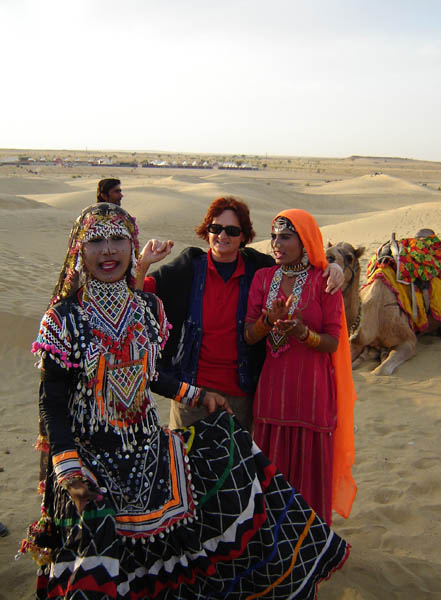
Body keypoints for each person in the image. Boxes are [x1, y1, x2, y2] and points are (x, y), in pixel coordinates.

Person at [20, 202, 350, 599]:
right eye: (97, 241)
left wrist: (198, 394)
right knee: (97, 534)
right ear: (79, 250)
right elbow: (52, 403)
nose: (108, 251)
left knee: (233, 468)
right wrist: (68, 469)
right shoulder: (62, 318)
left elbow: (152, 375)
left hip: (148, 446)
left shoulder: (146, 309)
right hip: (88, 454)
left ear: (131, 245)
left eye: (118, 240)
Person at [136, 196, 344, 432]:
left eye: (232, 230)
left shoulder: (260, 269)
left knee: (235, 466)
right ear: (207, 230)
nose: (223, 236)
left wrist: (331, 267)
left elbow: (299, 263)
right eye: (216, 228)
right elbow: (139, 294)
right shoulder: (189, 267)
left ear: (244, 237)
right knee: (185, 464)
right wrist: (143, 263)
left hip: (242, 396)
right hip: (192, 394)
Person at [244, 209, 357, 525]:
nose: (276, 244)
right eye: (274, 236)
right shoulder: (263, 278)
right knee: (271, 468)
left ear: (305, 240)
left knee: (309, 468)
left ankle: (309, 543)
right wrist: (269, 321)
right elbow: (250, 336)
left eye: (286, 236)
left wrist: (302, 333)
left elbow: (333, 341)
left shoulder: (325, 280)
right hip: (272, 390)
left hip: (312, 391)